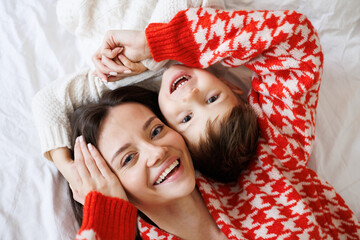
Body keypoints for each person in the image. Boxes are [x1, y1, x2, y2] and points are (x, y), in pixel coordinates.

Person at [68, 8, 360, 239]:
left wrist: (158, 42)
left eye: (157, 130)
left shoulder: (268, 153)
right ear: (109, 184)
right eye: (128, 159)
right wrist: (107, 214)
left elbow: (293, 39)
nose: (156, 153)